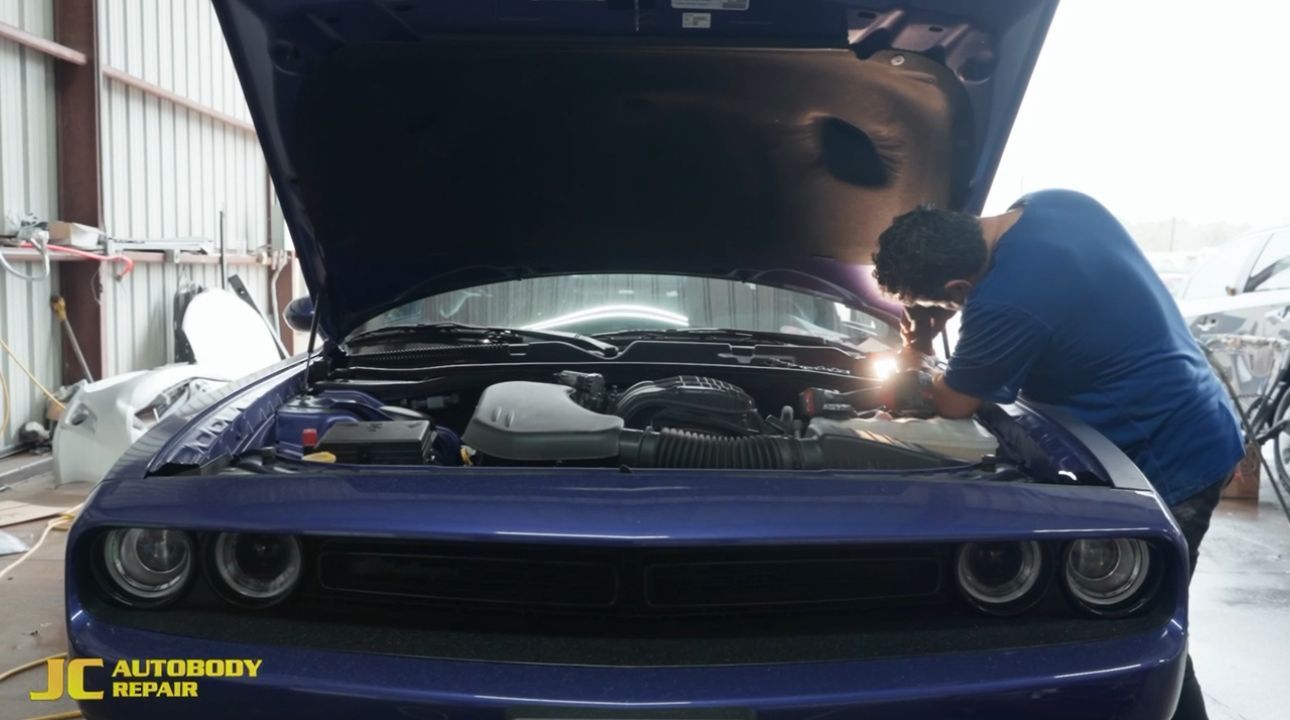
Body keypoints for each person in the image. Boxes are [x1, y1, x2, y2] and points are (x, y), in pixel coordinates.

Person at [871, 189, 1244, 720]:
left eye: (942, 305)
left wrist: (920, 347)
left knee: (1141, 626)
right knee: (1143, 621)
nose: (946, 311)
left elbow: (953, 403)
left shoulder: (1005, 298)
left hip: (1168, 454)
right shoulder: (1056, 204)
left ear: (957, 287)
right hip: (1198, 412)